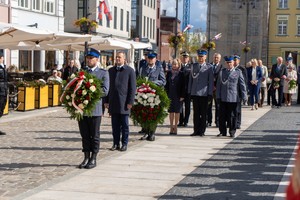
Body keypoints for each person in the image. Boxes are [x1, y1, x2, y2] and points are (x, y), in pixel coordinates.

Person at [77, 48, 109, 169]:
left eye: (91, 58)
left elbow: (105, 91)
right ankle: (86, 157)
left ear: (97, 59)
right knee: (84, 134)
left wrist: (90, 93)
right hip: (82, 108)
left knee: (94, 135)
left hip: (95, 109)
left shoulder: (103, 73)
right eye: (88, 58)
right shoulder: (83, 71)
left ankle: (93, 158)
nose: (89, 60)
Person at [105, 51, 136, 152]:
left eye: (119, 57)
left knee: (125, 125)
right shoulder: (111, 71)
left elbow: (132, 88)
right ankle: (115, 143)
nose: (117, 59)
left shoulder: (130, 71)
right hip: (113, 102)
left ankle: (124, 143)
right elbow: (107, 87)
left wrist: (130, 101)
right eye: (116, 57)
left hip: (124, 102)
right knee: (115, 125)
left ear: (124, 59)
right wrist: (106, 100)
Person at [216, 56, 247, 138]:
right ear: (225, 63)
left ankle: (232, 131)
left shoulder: (238, 72)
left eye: (230, 62)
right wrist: (218, 96)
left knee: (232, 116)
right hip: (223, 97)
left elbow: (242, 85)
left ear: (233, 63)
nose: (229, 64)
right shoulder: (222, 72)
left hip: (233, 98)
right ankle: (222, 131)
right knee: (222, 115)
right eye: (227, 62)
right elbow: (219, 85)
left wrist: (244, 96)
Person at [139, 51, 166, 141]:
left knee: (153, 114)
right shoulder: (143, 68)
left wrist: (153, 83)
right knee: (144, 114)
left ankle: (152, 133)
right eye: (149, 58)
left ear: (155, 59)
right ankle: (146, 132)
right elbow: (139, 79)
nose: (150, 60)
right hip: (144, 94)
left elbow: (163, 81)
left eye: (152, 58)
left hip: (154, 95)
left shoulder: (159, 68)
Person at [188, 49, 214, 137]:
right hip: (195, 93)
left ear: (205, 57)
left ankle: (202, 130)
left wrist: (210, 94)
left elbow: (210, 81)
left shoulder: (209, 67)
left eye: (202, 57)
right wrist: (190, 92)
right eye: (199, 56)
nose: (201, 58)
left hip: (204, 94)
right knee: (196, 113)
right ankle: (196, 130)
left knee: (203, 113)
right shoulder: (194, 66)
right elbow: (191, 80)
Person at [165, 58, 185, 135]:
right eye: (173, 64)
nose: (174, 65)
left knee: (177, 111)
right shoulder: (169, 73)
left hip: (178, 95)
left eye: (176, 64)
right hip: (170, 94)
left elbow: (184, 86)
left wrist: (182, 95)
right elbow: (167, 84)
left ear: (178, 65)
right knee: (171, 111)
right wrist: (166, 93)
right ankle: (171, 127)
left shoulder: (181, 73)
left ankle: (175, 126)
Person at [207, 52, 222, 127]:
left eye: (217, 58)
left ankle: (217, 121)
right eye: (215, 57)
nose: (216, 59)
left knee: (217, 106)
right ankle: (208, 121)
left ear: (220, 59)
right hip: (209, 89)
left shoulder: (221, 67)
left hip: (217, 89)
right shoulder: (208, 66)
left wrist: (215, 86)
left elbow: (221, 78)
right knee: (208, 105)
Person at [233, 55, 247, 129]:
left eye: (236, 60)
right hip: (231, 92)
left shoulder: (242, 69)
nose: (234, 61)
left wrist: (244, 92)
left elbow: (244, 81)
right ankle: (232, 122)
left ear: (238, 61)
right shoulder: (231, 68)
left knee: (238, 109)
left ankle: (238, 123)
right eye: (234, 60)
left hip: (238, 92)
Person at [178, 51, 191, 127]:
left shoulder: (191, 66)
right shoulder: (179, 66)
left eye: (186, 57)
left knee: (187, 106)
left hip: (188, 90)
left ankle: (186, 121)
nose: (185, 58)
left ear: (188, 58)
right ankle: (181, 120)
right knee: (180, 106)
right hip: (180, 90)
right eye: (183, 57)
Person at [0, 53, 8, 135]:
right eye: (2, 57)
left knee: (2, 108)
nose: (3, 59)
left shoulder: (3, 67)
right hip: (0, 91)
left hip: (4, 90)